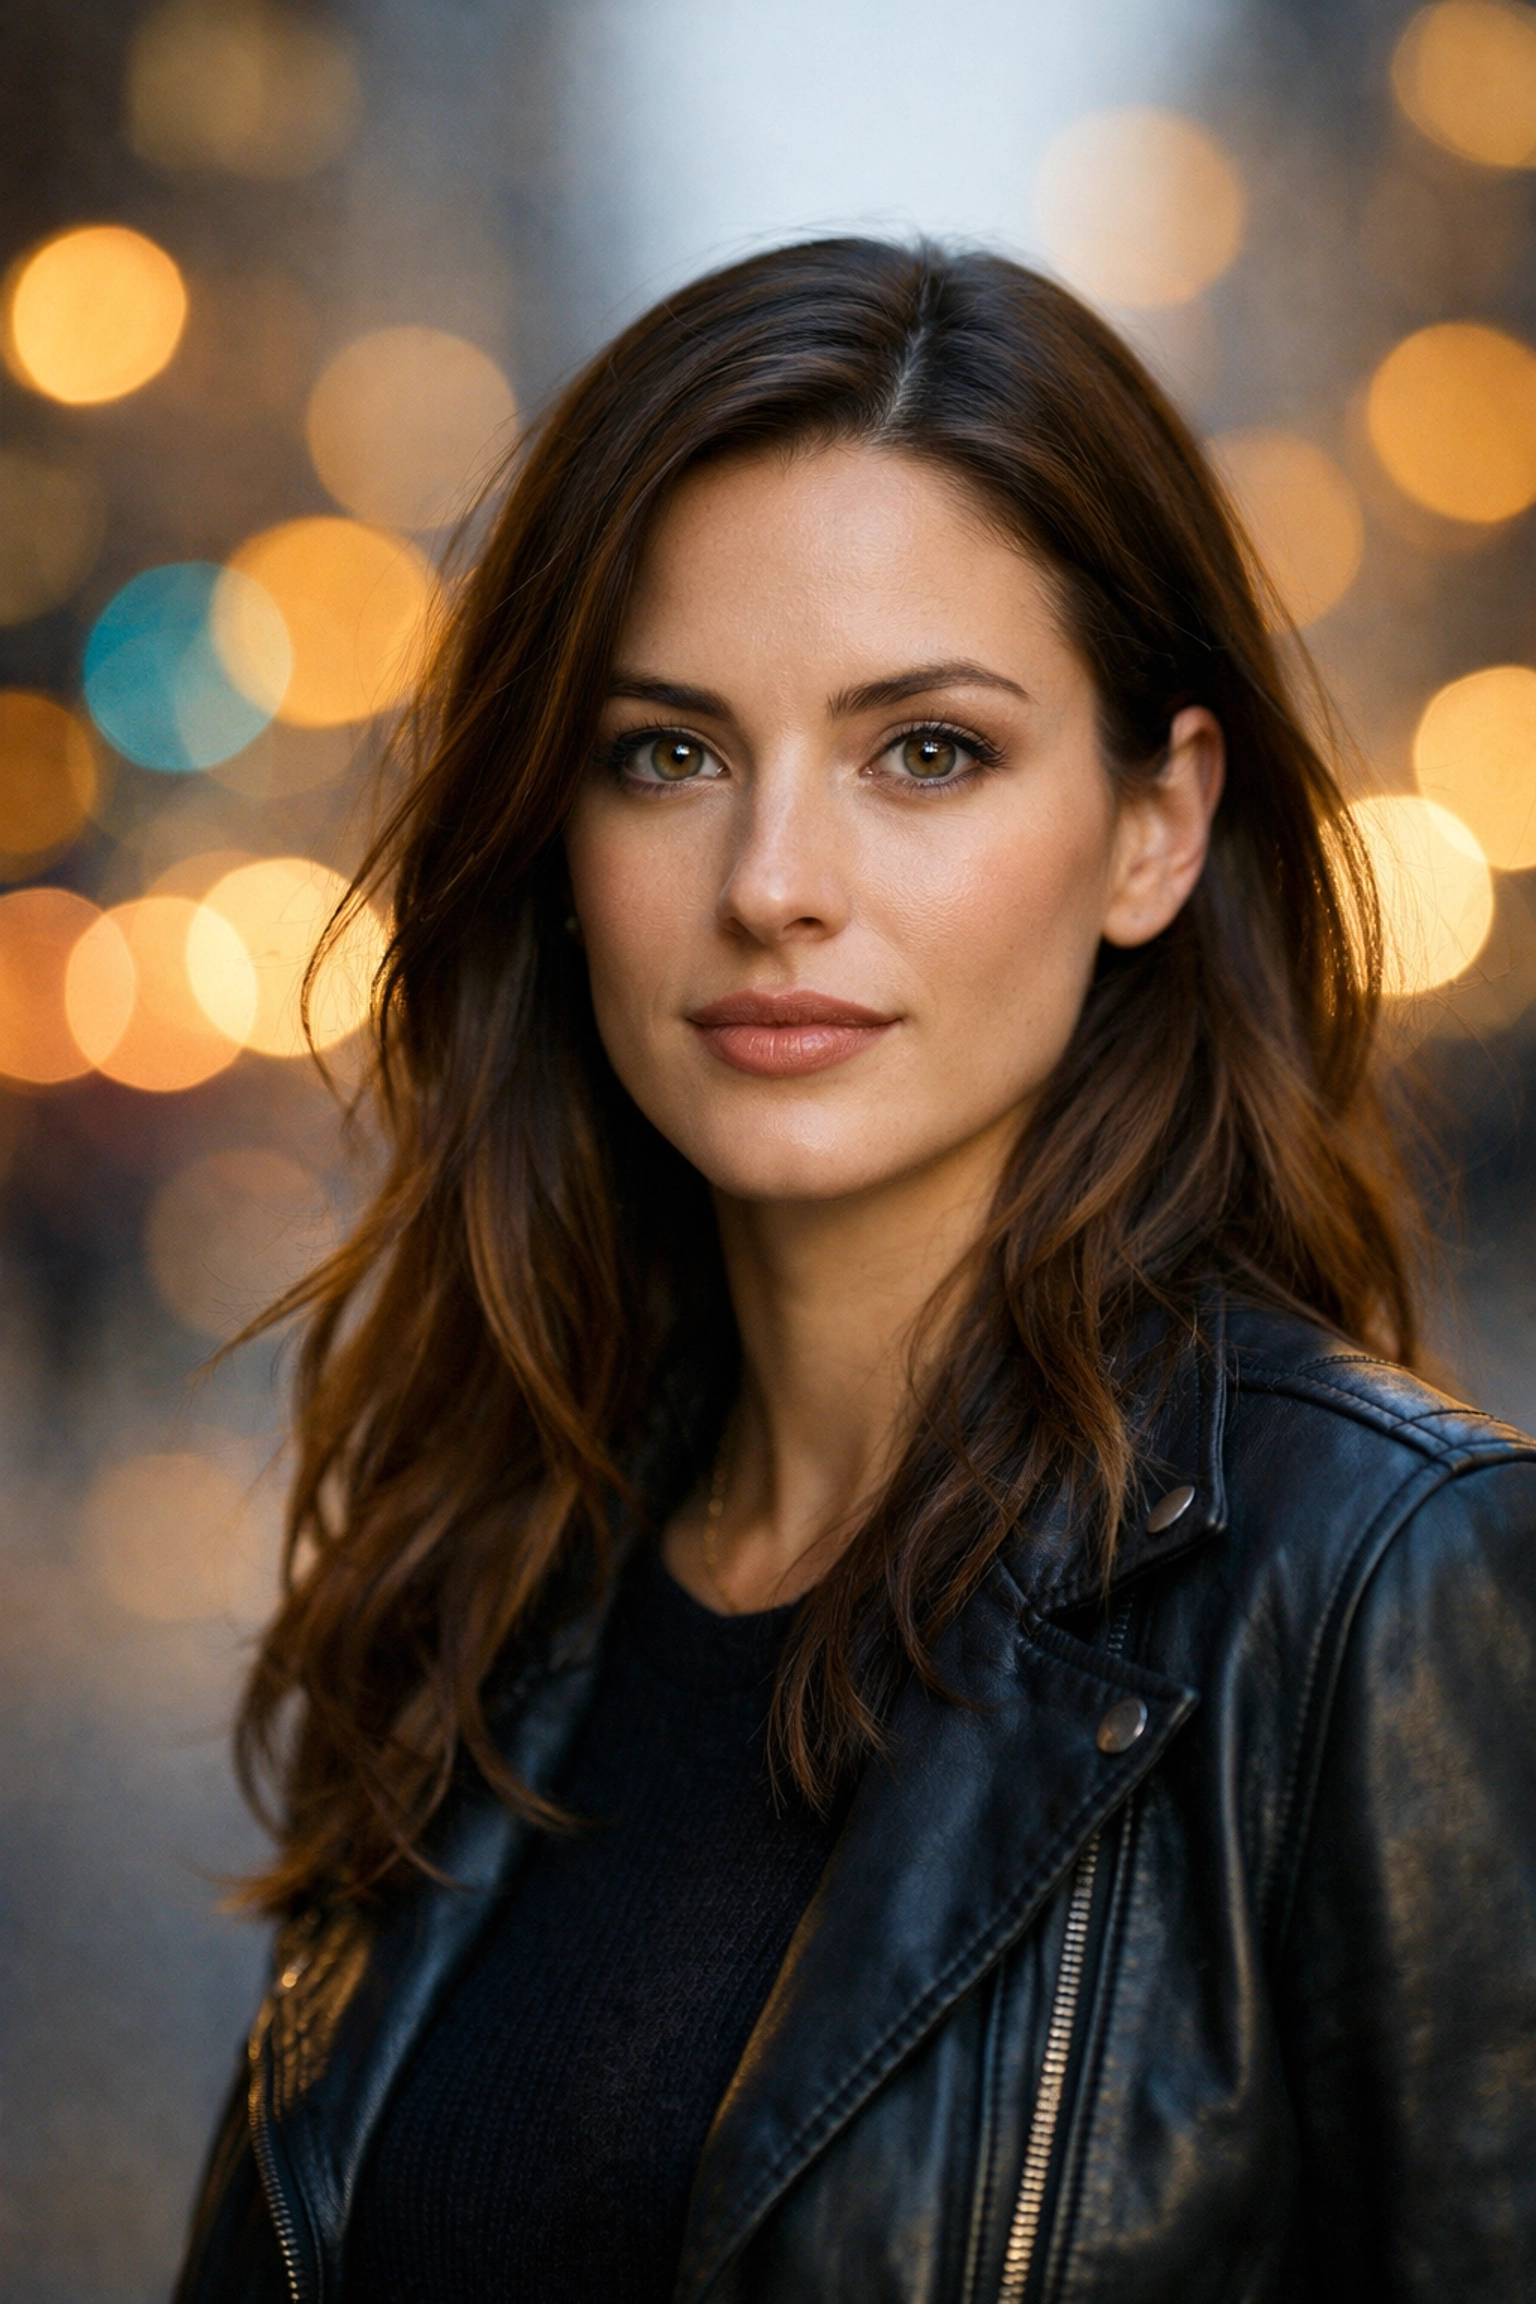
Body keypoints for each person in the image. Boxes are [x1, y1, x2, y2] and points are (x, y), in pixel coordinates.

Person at [175, 238, 1536, 2304]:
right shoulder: (494, 1563)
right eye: (669, 752)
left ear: (1157, 825)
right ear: (556, 837)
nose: (774, 885)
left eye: (927, 753)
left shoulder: (1382, 1586)